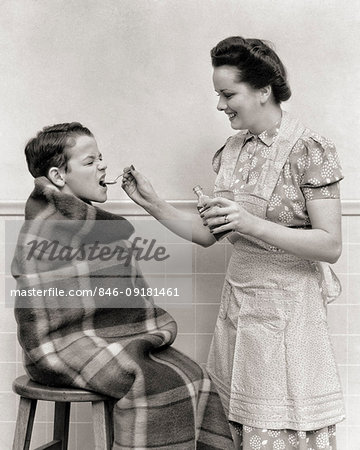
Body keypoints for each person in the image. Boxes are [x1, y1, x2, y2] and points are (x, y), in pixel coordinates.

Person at [121, 36, 345, 449]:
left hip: (289, 310)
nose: (221, 105)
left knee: (280, 420)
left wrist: (251, 223)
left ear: (263, 91)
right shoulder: (231, 152)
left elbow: (330, 245)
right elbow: (208, 235)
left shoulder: (311, 149)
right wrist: (152, 203)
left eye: (228, 94)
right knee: (232, 422)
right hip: (239, 306)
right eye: (218, 95)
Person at [11, 122, 234, 449]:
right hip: (54, 348)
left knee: (193, 376)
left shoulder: (96, 226)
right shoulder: (45, 228)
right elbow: (49, 321)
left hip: (96, 340)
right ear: (59, 176)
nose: (102, 165)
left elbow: (119, 304)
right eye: (89, 162)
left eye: (101, 157)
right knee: (147, 379)